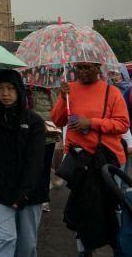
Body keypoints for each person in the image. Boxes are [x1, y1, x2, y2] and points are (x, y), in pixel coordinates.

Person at [51, 62, 130, 255]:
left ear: (98, 68)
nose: (83, 72)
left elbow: (122, 124)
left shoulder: (111, 92)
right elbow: (57, 120)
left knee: (111, 208)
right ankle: (85, 250)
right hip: (79, 161)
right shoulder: (69, 89)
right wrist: (62, 98)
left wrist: (91, 123)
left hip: (107, 160)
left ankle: (119, 248)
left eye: (88, 67)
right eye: (80, 68)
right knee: (83, 207)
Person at [0, 70, 47, 257]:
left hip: (29, 194)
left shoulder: (34, 122)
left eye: (10, 88)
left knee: (27, 244)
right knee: (4, 239)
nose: (5, 93)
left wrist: (24, 194)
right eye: (0, 88)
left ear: (19, 90)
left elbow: (36, 161)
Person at [26, 80, 60, 213]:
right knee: (42, 168)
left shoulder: (48, 93)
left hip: (44, 137)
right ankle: (42, 198)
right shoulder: (48, 93)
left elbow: (57, 113)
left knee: (41, 168)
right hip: (40, 137)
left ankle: (42, 198)